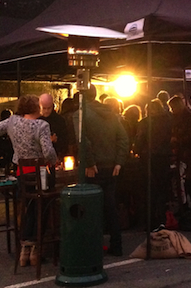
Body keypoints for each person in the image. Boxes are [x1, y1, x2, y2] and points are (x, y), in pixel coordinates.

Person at [0, 95, 58, 267]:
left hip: (22, 174)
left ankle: (24, 251)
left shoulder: (12, 122)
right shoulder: (42, 125)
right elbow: (48, 152)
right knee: (42, 207)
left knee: (28, 208)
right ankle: (35, 249)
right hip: (41, 174)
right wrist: (53, 162)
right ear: (36, 108)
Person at [74, 85, 129, 256]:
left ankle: (93, 246)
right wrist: (119, 162)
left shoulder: (80, 115)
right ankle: (116, 245)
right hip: (111, 166)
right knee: (111, 207)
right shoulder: (111, 113)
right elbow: (123, 138)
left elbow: (83, 141)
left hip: (93, 168)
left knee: (89, 208)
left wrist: (89, 162)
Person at [135, 99, 173, 230]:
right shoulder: (168, 121)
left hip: (148, 158)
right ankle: (162, 219)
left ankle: (151, 221)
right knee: (162, 189)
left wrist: (136, 150)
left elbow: (139, 140)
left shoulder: (145, 123)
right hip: (164, 157)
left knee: (150, 189)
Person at [168, 95, 191, 214]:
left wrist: (178, 140)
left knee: (184, 180)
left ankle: (188, 206)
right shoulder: (182, 117)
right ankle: (189, 205)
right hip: (183, 151)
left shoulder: (187, 118)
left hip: (186, 152)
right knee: (185, 181)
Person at [39, 93, 69, 159]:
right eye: (44, 108)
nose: (46, 111)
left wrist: (56, 140)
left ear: (52, 106)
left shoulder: (59, 120)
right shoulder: (35, 119)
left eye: (49, 108)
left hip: (56, 155)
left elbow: (65, 140)